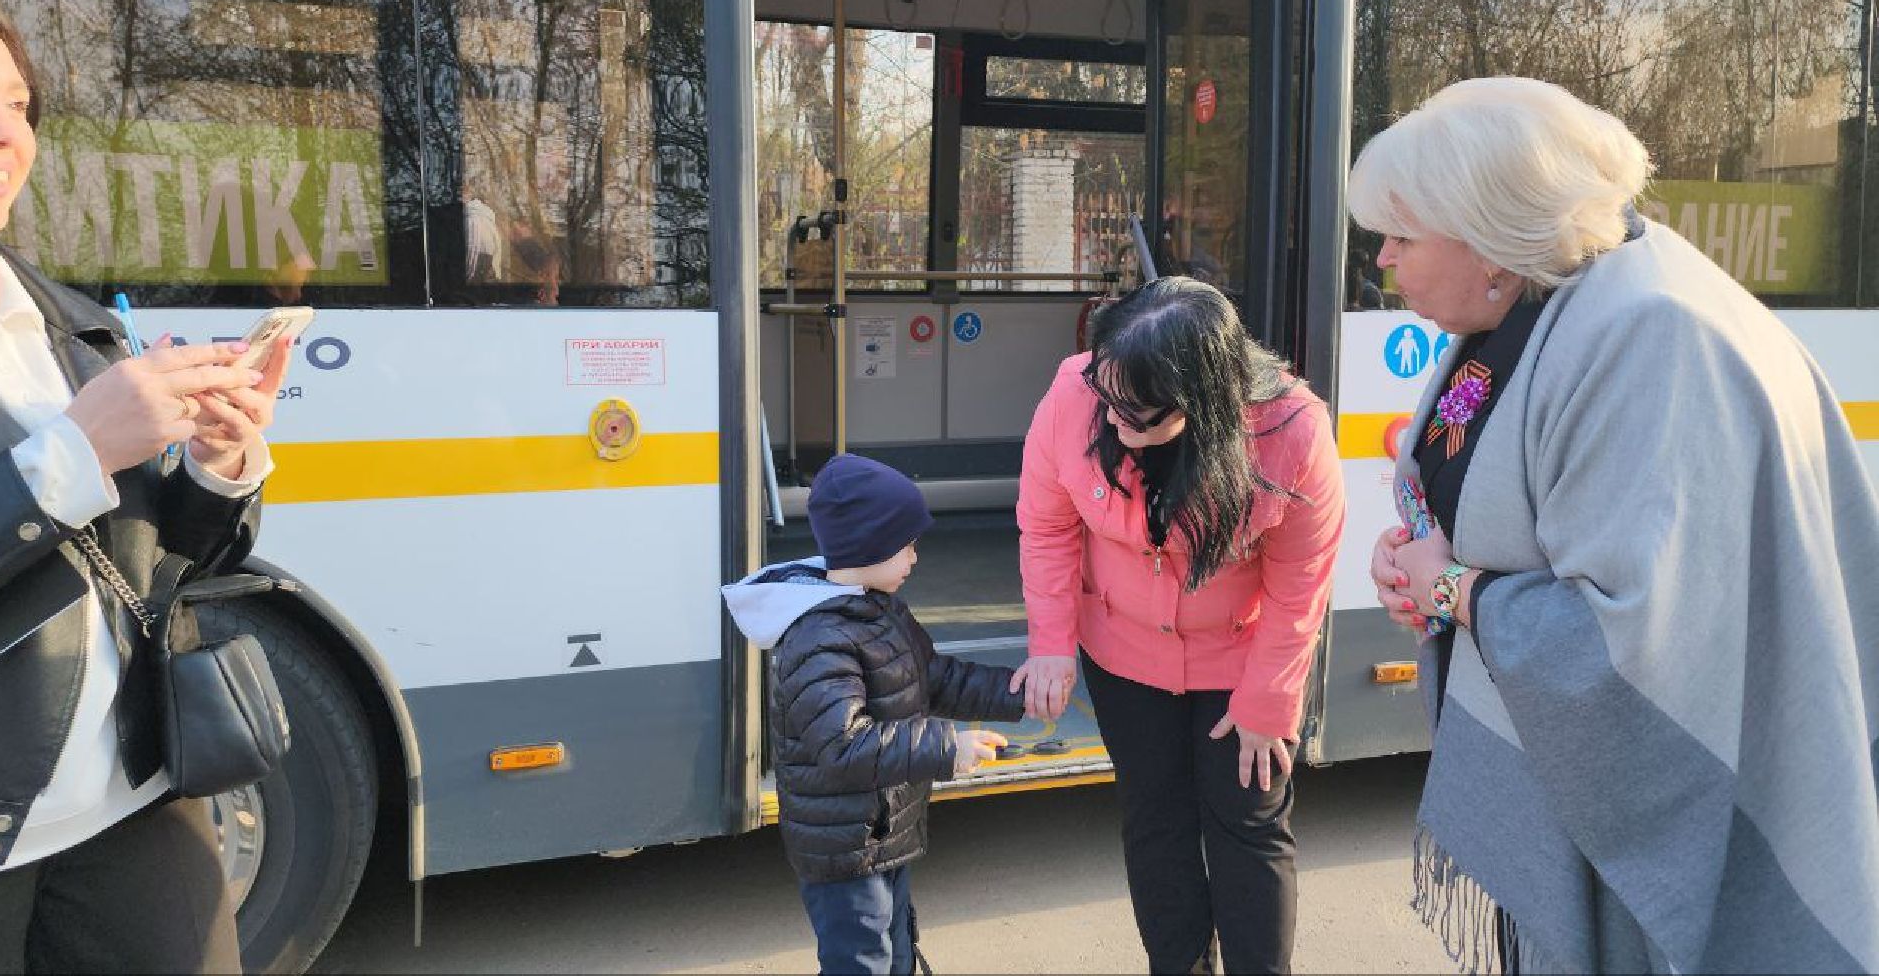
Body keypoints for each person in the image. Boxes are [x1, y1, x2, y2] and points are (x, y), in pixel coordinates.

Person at [1353, 76, 1879, 973]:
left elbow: (1629, 642)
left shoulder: (1649, 338)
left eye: (1401, 236)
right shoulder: (1539, 303)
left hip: (1653, 828)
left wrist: (1452, 589)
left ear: (1487, 234)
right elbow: (1461, 484)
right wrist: (1418, 560)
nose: (1384, 260)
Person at [0, 0, 293, 973]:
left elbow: (158, 568)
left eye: (17, 103)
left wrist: (217, 465)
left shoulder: (68, 323)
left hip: (130, 804)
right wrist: (76, 452)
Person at [1012, 277, 1345, 974]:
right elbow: (1047, 528)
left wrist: (1267, 702)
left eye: (1136, 413)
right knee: (1154, 822)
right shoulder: (1075, 394)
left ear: (1202, 397)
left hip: (1241, 662)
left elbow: (1299, 585)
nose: (1113, 422)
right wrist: (1051, 645)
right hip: (1122, 655)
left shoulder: (1291, 430)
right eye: (1105, 396)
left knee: (1247, 827)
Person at [722, 454, 1025, 975]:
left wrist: (1018, 694)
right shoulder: (819, 638)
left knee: (895, 950)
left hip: (880, 833)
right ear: (869, 545)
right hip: (845, 851)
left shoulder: (874, 608)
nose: (915, 557)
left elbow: (932, 679)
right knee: (862, 961)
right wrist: (946, 748)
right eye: (907, 545)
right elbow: (843, 747)